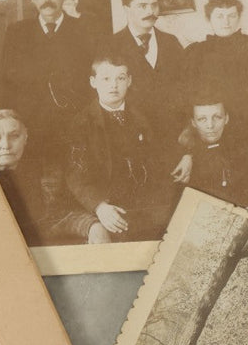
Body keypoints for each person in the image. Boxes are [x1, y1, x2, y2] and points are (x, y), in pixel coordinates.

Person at [66, 53, 178, 243]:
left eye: (120, 78)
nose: (114, 85)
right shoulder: (81, 124)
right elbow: (76, 176)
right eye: (106, 79)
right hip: (111, 208)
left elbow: (163, 154)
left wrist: (185, 156)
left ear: (129, 81)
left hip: (148, 208)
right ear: (93, 82)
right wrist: (99, 206)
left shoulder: (144, 116)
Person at [0, 0, 98, 139]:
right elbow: (4, 81)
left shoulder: (85, 30)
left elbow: (96, 81)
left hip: (76, 128)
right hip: (30, 128)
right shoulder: (17, 32)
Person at [0, 108, 95, 245]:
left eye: (14, 136)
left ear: (25, 138)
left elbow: (58, 217)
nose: (6, 145)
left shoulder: (44, 177)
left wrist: (92, 226)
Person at [182, 0, 248, 140]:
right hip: (213, 124)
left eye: (231, 16)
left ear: (239, 17)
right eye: (219, 16)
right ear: (210, 19)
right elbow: (190, 92)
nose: (226, 22)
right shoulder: (198, 52)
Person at [106, 0, 186, 146]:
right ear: (127, 9)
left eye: (154, 5)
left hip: (172, 134)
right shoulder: (110, 46)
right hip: (131, 135)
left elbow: (185, 86)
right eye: (142, 6)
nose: (150, 11)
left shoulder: (171, 42)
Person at [174, 96, 248, 207]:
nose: (210, 125)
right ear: (193, 122)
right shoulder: (182, 158)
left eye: (217, 117)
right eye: (202, 119)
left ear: (226, 119)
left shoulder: (242, 151)